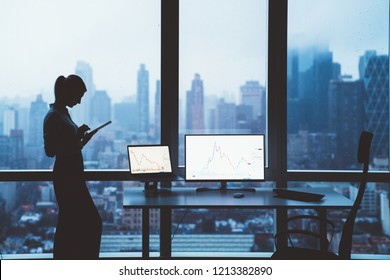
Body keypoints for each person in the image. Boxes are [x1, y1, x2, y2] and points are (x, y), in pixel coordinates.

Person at [43, 74, 102, 259]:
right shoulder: (53, 116)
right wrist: (76, 138)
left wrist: (80, 138)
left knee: (69, 223)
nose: (79, 101)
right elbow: (50, 150)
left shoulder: (62, 114)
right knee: (90, 222)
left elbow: (68, 145)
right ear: (69, 92)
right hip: (67, 176)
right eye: (79, 96)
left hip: (72, 175)